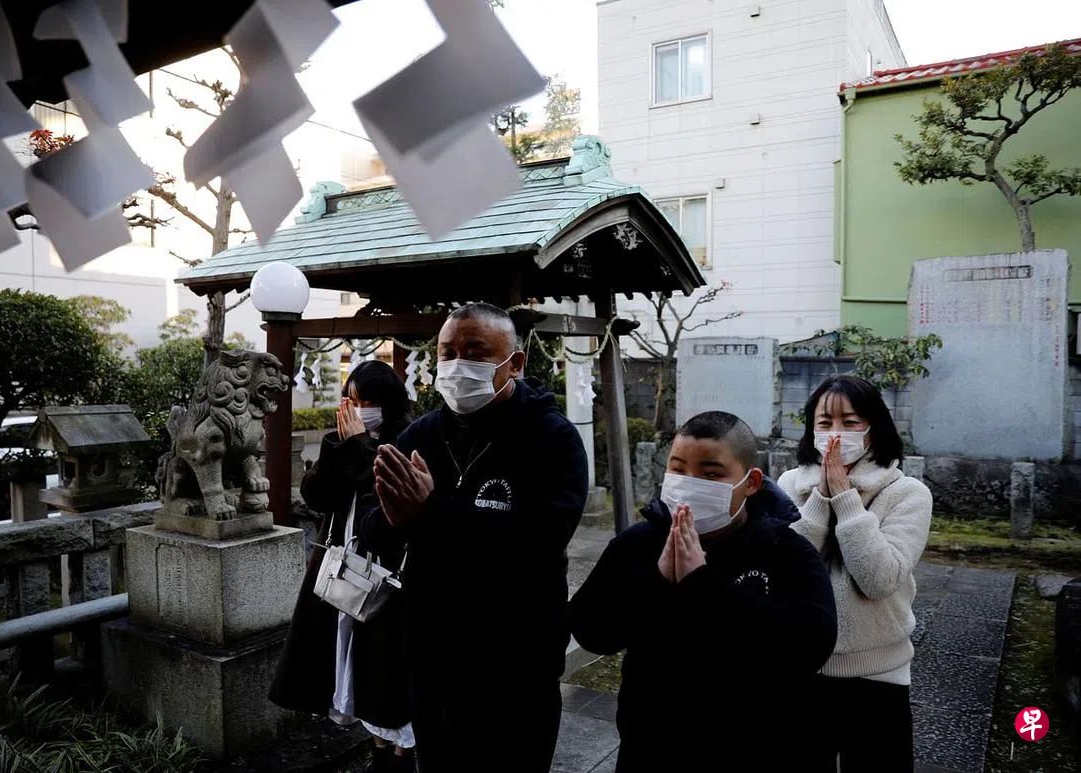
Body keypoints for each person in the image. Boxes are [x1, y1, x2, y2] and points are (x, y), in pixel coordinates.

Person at [363, 302, 588, 773]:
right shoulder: (422, 434)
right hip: (433, 653)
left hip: (517, 658)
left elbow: (540, 540)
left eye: (475, 352)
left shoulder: (553, 439)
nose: (457, 364)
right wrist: (395, 516)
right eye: (447, 353)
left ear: (515, 363)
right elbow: (377, 530)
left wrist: (431, 511)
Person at [569, 411, 837, 772]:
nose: (689, 484)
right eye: (678, 470)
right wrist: (657, 581)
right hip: (652, 745)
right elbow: (590, 630)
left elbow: (810, 647)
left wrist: (704, 583)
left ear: (751, 482)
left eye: (711, 474)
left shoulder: (787, 551)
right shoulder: (639, 543)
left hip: (759, 748)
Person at [778, 375, 933, 773]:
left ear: (873, 427)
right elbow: (786, 571)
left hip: (879, 675)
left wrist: (846, 499)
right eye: (824, 423)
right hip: (801, 669)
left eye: (850, 422)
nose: (835, 434)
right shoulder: (789, 485)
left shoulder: (907, 493)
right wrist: (820, 499)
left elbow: (879, 579)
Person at [269, 361, 415, 773]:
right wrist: (338, 449)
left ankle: (402, 754)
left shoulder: (408, 438)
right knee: (350, 658)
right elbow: (316, 496)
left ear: (386, 402)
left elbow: (384, 495)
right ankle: (378, 748)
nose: (354, 409)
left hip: (386, 567)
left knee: (385, 662)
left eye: (363, 401)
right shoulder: (343, 439)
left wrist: (358, 446)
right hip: (341, 559)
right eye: (349, 399)